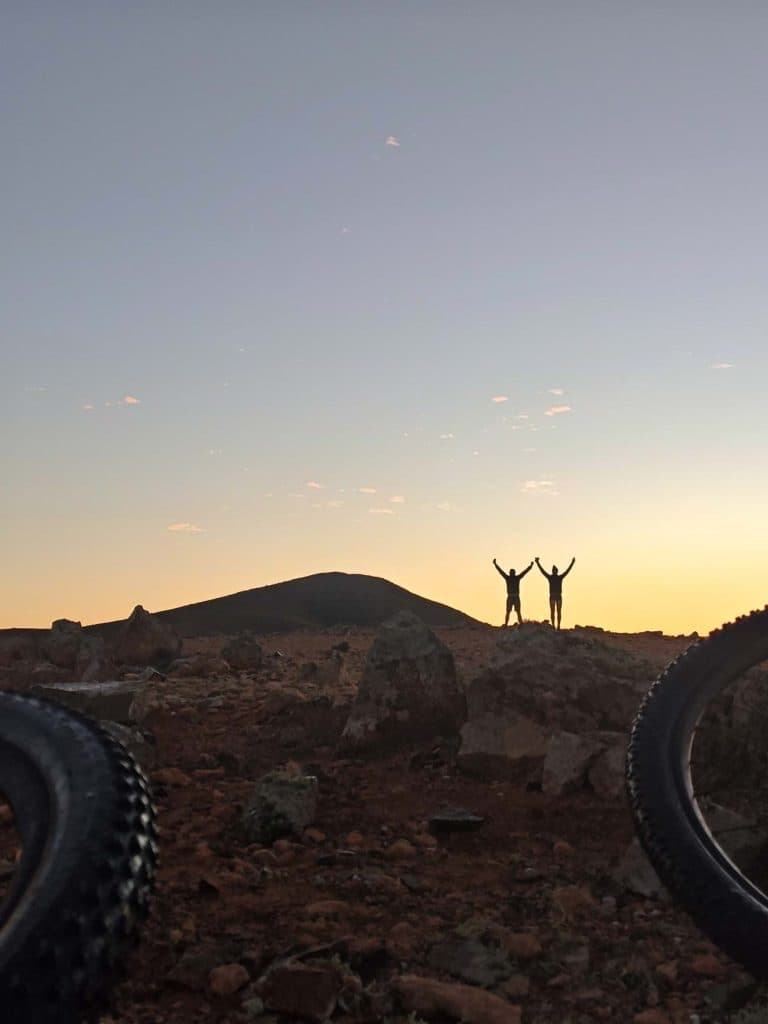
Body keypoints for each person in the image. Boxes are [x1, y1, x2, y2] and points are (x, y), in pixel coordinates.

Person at [535, 556, 575, 630]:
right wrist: (538, 563)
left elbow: (567, 571)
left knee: (557, 611)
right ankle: (554, 625)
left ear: (555, 571)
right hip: (554, 596)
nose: (554, 572)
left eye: (554, 570)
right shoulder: (553, 577)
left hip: (557, 596)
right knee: (554, 611)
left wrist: (572, 563)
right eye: (554, 571)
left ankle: (557, 626)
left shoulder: (557, 577)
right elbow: (543, 571)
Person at [492, 557, 533, 627]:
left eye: (512, 573)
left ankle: (518, 624)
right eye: (511, 573)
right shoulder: (512, 578)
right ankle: (511, 624)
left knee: (515, 612)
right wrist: (495, 564)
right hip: (512, 596)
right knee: (511, 612)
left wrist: (530, 566)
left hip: (513, 596)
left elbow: (524, 572)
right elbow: (501, 571)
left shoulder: (512, 578)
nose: (511, 573)